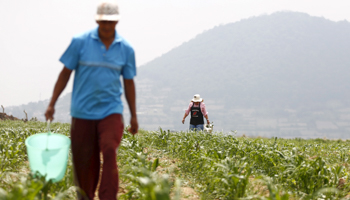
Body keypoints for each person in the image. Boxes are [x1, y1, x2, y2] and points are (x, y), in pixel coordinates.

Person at [44, 1, 138, 199]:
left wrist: (133, 116)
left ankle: (107, 196)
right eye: (103, 21)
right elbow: (65, 73)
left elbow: (129, 83)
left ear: (117, 22)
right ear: (97, 20)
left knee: (110, 149)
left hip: (111, 110)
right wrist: (52, 103)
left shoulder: (125, 49)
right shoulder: (80, 42)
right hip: (82, 112)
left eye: (110, 22)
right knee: (84, 163)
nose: (106, 26)